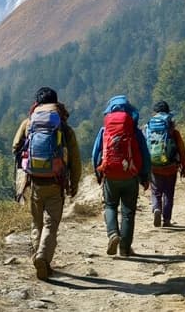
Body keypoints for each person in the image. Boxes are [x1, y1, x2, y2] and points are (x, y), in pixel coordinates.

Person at [12, 86, 82, 281]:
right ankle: (43, 257)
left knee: (37, 223)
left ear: (37, 102)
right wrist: (74, 183)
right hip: (56, 183)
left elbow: (15, 146)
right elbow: (75, 159)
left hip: (34, 182)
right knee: (51, 224)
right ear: (56, 103)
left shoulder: (29, 123)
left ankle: (39, 256)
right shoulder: (63, 127)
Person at [91, 95, 150, 257]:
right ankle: (124, 248)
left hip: (110, 175)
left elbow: (95, 154)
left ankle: (112, 234)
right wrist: (145, 176)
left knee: (110, 206)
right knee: (128, 212)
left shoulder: (104, 131)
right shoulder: (134, 131)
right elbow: (145, 155)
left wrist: (98, 173)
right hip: (130, 175)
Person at [146, 101, 185, 228]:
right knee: (169, 193)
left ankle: (156, 208)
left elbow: (144, 148)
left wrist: (143, 169)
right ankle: (166, 220)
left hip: (154, 166)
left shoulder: (148, 129)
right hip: (171, 167)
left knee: (156, 191)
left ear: (155, 112)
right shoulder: (173, 132)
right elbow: (182, 150)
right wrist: (184, 166)